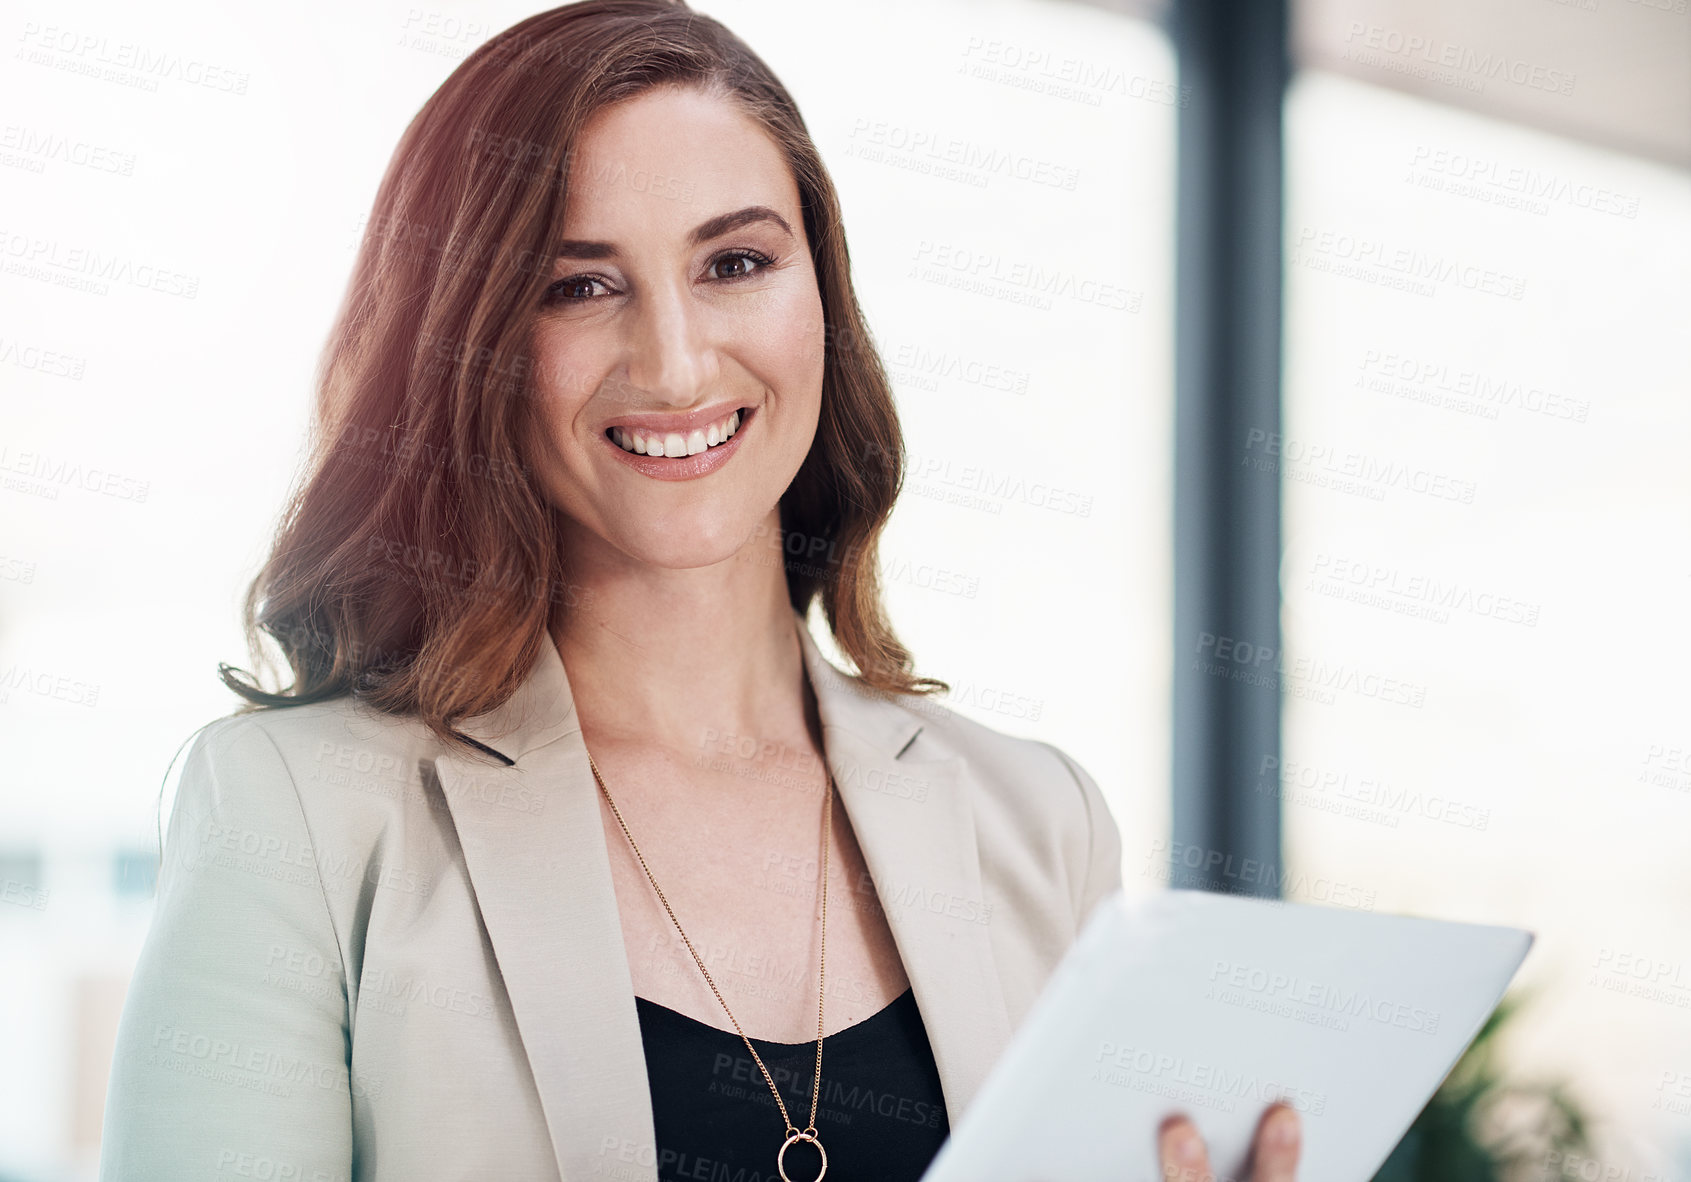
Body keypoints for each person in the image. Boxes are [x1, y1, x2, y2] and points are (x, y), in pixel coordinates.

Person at [98, 2, 1302, 1179]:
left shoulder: (1038, 824)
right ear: (464, 341)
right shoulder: (301, 819)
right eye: (576, 285)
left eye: (735, 263)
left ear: (818, 294)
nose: (674, 362)